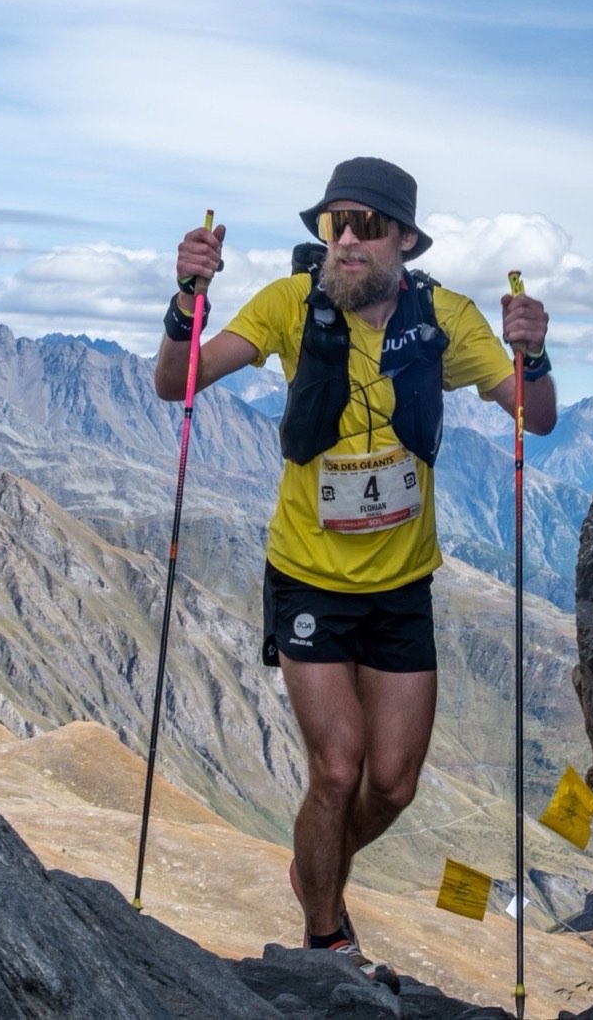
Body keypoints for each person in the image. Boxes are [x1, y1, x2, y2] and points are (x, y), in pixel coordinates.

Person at [155, 157, 555, 977]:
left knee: (393, 785)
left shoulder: (445, 316)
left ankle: (315, 867)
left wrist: (534, 354)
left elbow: (535, 417)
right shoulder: (288, 306)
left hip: (402, 584)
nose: (344, 239)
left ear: (403, 239)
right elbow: (177, 380)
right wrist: (184, 299)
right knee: (336, 768)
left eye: (364, 225)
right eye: (333, 223)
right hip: (307, 576)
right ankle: (324, 928)